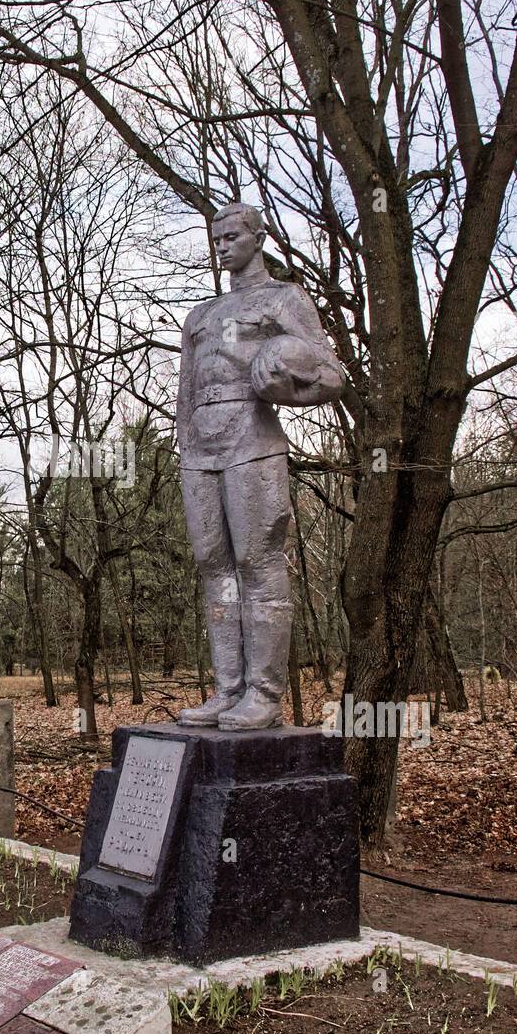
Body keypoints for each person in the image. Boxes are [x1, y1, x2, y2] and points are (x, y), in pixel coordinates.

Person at [177, 202, 345, 729]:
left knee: (257, 561)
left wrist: (285, 381)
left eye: (231, 236)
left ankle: (264, 694)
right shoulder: (201, 315)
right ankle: (227, 688)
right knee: (212, 565)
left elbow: (331, 374)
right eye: (216, 238)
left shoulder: (283, 298)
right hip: (200, 445)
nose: (222, 245)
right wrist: (184, 447)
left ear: (258, 237)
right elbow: (186, 391)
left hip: (253, 438)